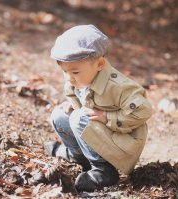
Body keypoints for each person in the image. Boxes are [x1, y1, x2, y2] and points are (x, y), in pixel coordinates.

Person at [45, 24, 153, 192]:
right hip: (99, 135)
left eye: (74, 72)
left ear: (100, 64)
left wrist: (107, 117)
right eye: (64, 71)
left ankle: (104, 170)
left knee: (79, 118)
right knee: (59, 115)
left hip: (122, 142)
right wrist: (74, 106)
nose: (69, 78)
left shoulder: (118, 87)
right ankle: (79, 156)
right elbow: (73, 96)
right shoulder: (80, 79)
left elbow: (144, 110)